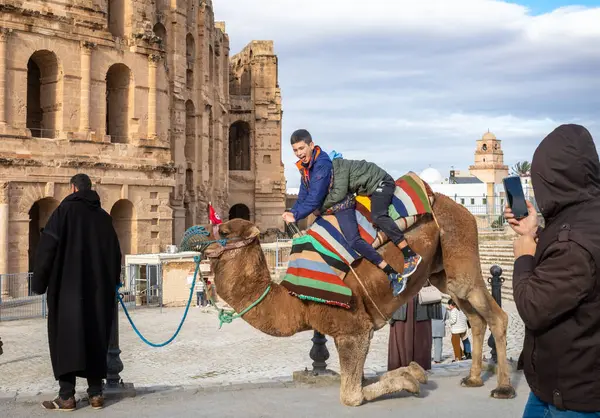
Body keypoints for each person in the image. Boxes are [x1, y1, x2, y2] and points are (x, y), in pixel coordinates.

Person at [505, 124, 600, 416]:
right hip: (557, 386)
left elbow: (533, 306)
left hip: (570, 398)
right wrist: (534, 230)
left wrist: (523, 254)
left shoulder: (573, 242)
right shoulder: (584, 217)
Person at [31, 174, 122, 411]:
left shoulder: (63, 213)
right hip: (98, 292)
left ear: (72, 188)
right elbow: (115, 254)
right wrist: (112, 283)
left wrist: (39, 284)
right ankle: (95, 394)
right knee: (95, 336)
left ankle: (67, 396)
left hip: (66, 290)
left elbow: (46, 249)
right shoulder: (103, 218)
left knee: (66, 340)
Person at [318, 156, 423, 295]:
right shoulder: (335, 170)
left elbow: (339, 194)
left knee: (378, 216)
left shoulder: (339, 170)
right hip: (371, 189)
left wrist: (319, 208)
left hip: (382, 183)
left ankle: (409, 254)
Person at [282, 129, 332, 226]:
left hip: (343, 204)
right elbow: (303, 195)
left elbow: (315, 197)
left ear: (311, 145)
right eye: (295, 150)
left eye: (301, 148)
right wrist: (293, 212)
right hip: (330, 207)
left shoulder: (322, 164)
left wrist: (295, 215)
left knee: (353, 238)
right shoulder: (306, 168)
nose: (299, 153)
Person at [388, 295, 442, 371]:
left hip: (418, 300)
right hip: (404, 299)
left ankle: (413, 364)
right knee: (406, 331)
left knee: (419, 332)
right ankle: (405, 364)